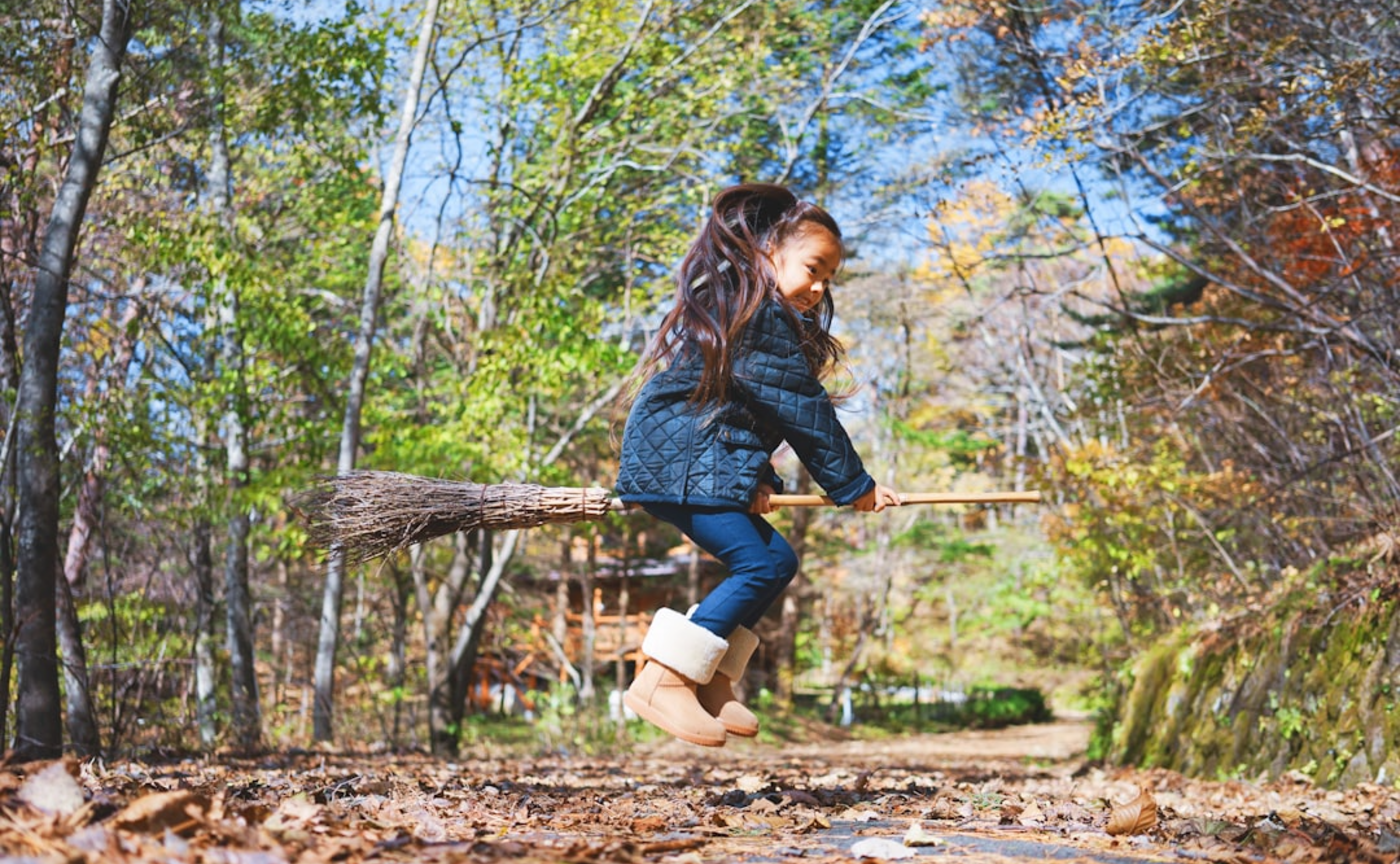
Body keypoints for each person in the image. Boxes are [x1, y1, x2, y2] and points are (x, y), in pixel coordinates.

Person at [615, 183, 900, 747]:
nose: (819, 289)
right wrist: (855, 486)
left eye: (828, 280)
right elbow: (801, 409)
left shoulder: (753, 315)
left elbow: (744, 413)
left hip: (701, 459)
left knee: (777, 560)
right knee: (758, 565)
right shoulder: (758, 314)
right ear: (769, 252)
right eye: (812, 269)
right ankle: (665, 678)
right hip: (679, 465)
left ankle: (712, 676)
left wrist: (758, 479)